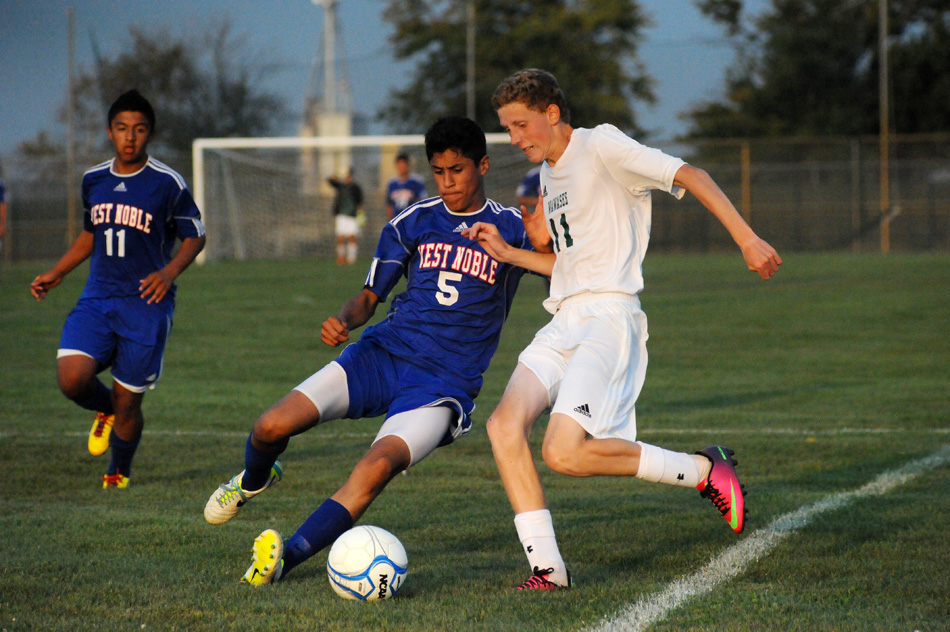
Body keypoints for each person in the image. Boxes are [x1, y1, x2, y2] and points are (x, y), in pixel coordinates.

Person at [463, 69, 782, 590]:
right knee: (503, 427)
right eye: (508, 128)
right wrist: (511, 251)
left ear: (552, 114)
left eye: (521, 125)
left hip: (608, 320)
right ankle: (548, 571)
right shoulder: (549, 171)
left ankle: (704, 471)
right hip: (565, 317)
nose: (515, 139)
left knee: (563, 453)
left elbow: (692, 175)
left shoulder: (602, 144)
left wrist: (747, 239)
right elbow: (568, 265)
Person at [204, 116, 533, 586]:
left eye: (457, 170)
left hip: (442, 385)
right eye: (439, 171)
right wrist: (345, 319)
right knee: (270, 425)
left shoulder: (513, 229)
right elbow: (368, 297)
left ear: (483, 164)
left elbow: (561, 264)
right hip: (382, 355)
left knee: (375, 468)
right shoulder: (412, 221)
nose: (448, 182)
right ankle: (252, 480)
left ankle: (282, 562)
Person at [30, 89, 206, 489]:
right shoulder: (94, 180)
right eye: (123, 129)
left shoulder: (167, 183)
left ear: (150, 134)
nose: (131, 137)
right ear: (110, 132)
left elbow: (195, 235)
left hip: (146, 305)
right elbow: (91, 234)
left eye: (139, 130)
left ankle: (119, 471)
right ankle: (106, 409)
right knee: (71, 379)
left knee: (131, 402)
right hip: (98, 297)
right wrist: (58, 272)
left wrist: (169, 273)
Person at [327, 169, 364, 265]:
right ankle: (341, 257)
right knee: (341, 236)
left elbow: (360, 202)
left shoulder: (356, 188)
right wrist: (335, 176)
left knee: (352, 236)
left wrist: (361, 215)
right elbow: (330, 181)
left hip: (352, 215)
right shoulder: (340, 186)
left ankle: (351, 258)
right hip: (341, 215)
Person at [385, 152, 428, 220]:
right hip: (397, 220)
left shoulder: (416, 181)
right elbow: (389, 204)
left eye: (404, 165)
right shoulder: (392, 183)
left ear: (408, 165)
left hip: (412, 220)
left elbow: (421, 201)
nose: (402, 167)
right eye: (400, 165)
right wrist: (391, 220)